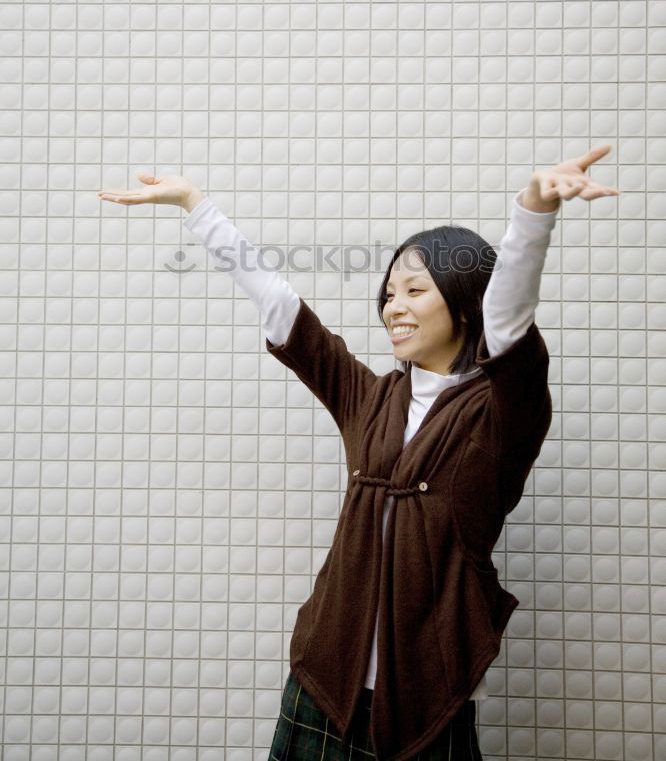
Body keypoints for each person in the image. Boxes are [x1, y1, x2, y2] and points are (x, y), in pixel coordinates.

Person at [98, 145, 619, 761]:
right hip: (323, 683)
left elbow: (509, 325)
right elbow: (282, 306)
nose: (393, 307)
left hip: (428, 701)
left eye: (414, 290)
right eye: (389, 292)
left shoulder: (502, 413)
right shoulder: (368, 397)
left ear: (465, 302)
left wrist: (534, 211)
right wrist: (195, 205)